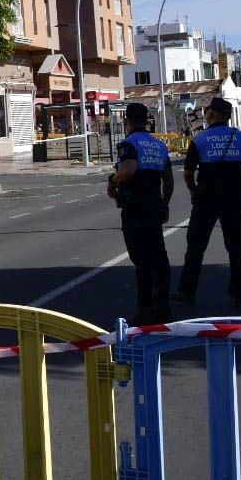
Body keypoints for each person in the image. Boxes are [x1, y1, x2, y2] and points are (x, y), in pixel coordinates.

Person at [178, 96, 241, 307]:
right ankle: (238, 294)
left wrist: (193, 191)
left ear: (211, 114)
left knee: (196, 246)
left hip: (207, 196)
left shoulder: (200, 140)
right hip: (236, 196)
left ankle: (187, 292)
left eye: (207, 112)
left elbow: (188, 173)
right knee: (236, 247)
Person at [107, 102, 175, 323]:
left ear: (126, 120)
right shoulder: (159, 145)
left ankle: (145, 310)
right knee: (159, 257)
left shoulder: (129, 144)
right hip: (154, 204)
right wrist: (164, 204)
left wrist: (113, 180)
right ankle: (162, 304)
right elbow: (169, 180)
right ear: (147, 120)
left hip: (135, 205)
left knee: (141, 260)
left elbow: (129, 169)